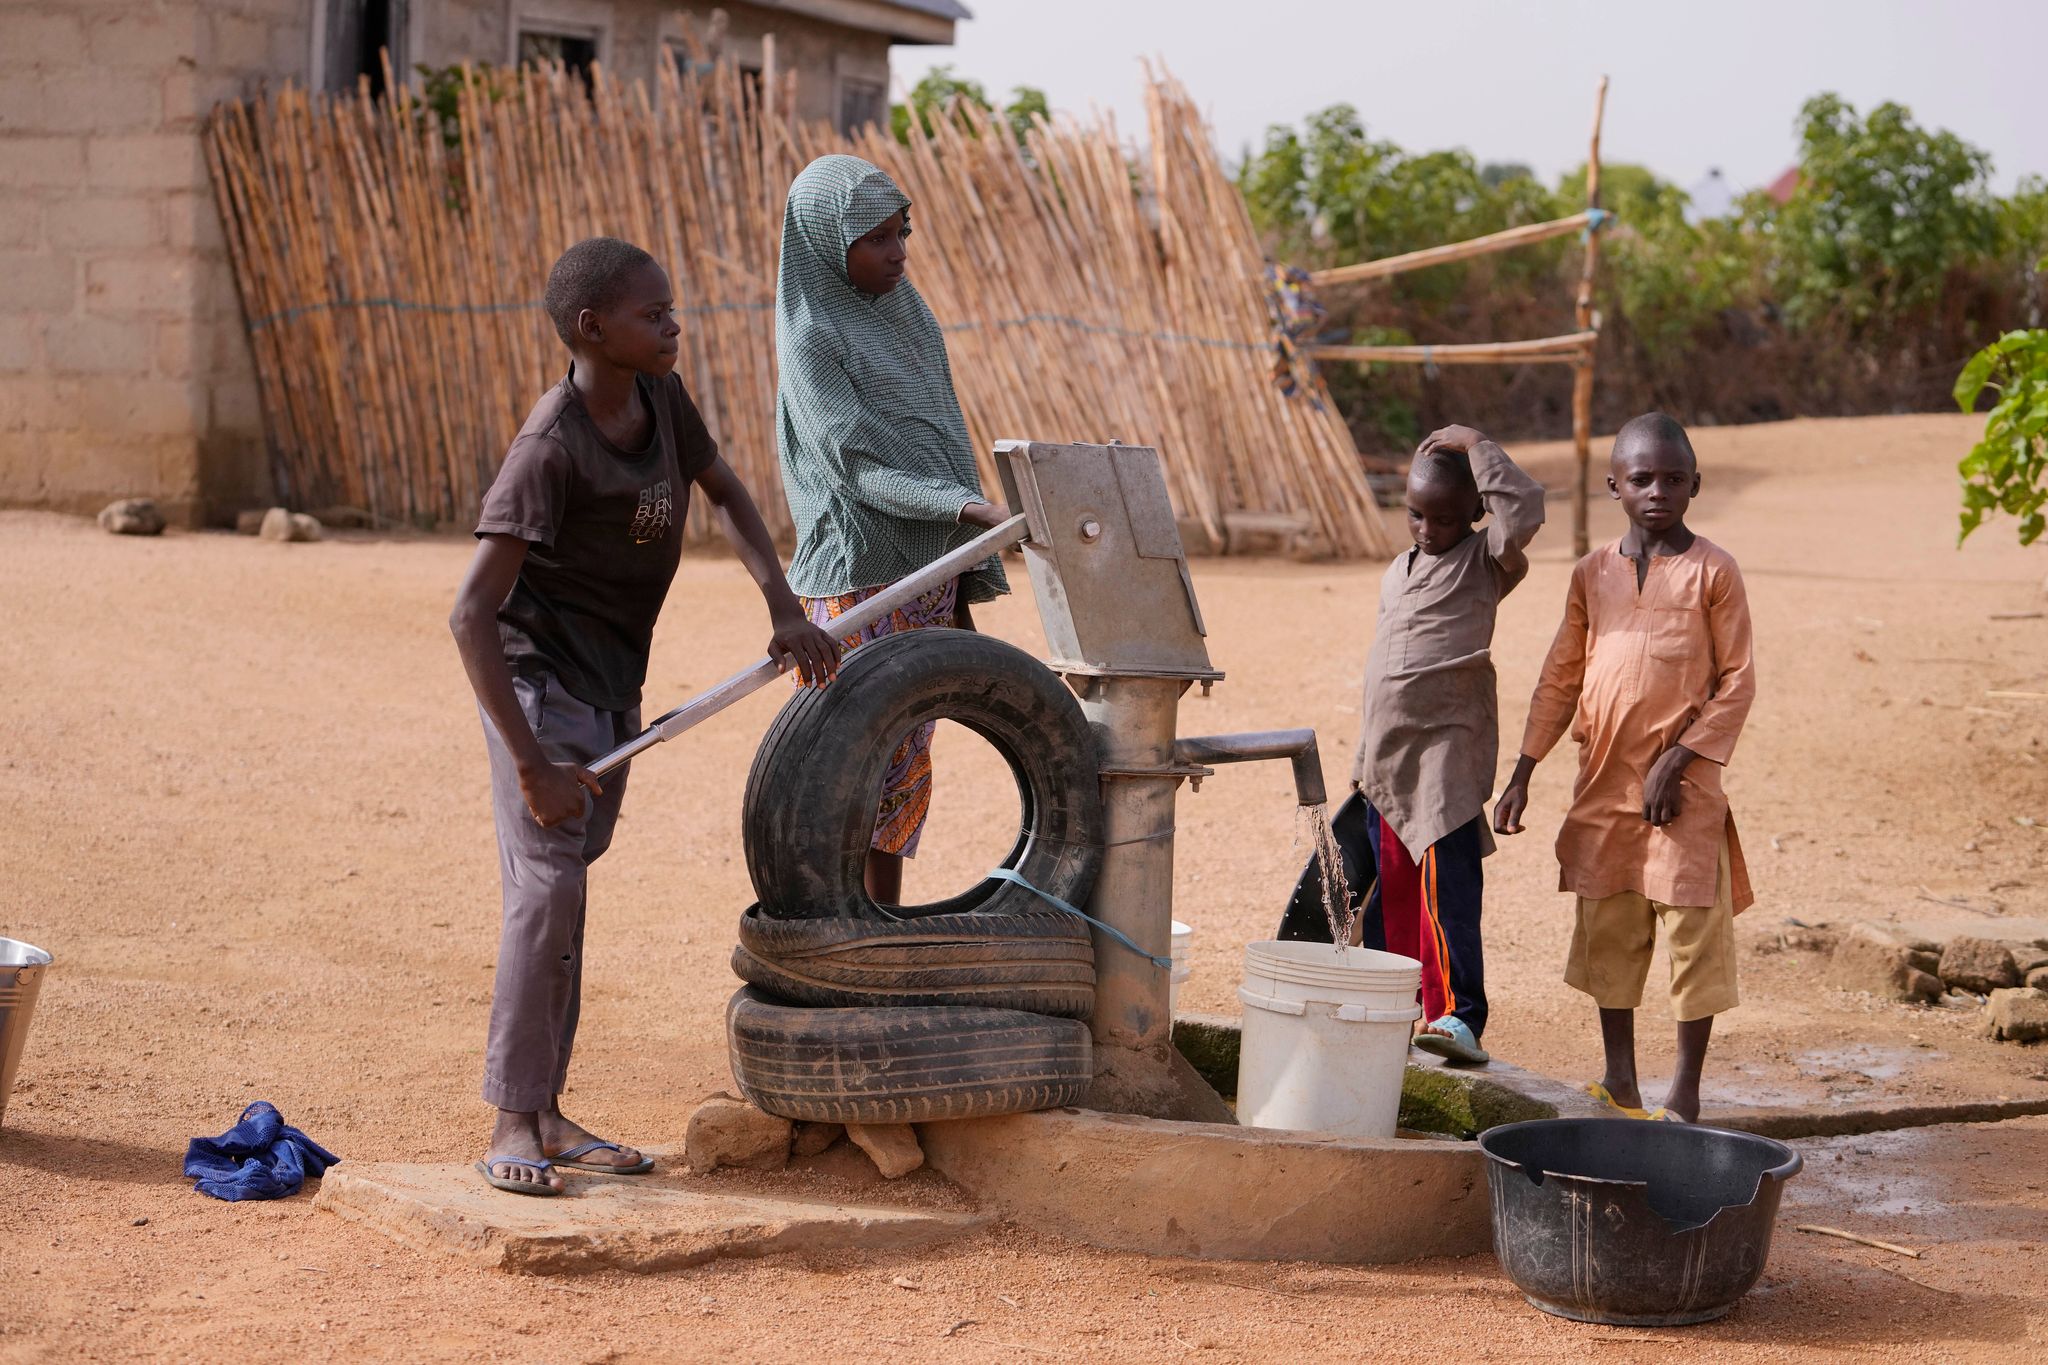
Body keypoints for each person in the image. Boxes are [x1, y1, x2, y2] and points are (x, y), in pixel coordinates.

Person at [450, 237, 839, 1194]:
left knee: (568, 895)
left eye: (671, 311)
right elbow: (470, 614)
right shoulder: (549, 447)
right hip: (539, 693)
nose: (674, 326)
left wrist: (781, 604)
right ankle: (512, 1116)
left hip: (611, 690)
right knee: (545, 894)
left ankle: (547, 1113)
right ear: (593, 328)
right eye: (653, 314)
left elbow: (727, 491)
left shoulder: (661, 399)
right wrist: (534, 763)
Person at [1493, 412, 1756, 1124]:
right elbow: (1561, 674)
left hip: (1685, 791)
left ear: (1694, 485)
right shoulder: (1591, 574)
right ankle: (1620, 1079)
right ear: (1615, 485)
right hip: (1603, 782)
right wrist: (1523, 769)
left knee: (1695, 933)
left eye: (1674, 478)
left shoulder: (1713, 571)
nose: (1658, 491)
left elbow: (1738, 680)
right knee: (1610, 925)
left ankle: (1687, 1094)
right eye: (1642, 478)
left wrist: (1683, 754)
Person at [772, 153, 1011, 906]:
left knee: (905, 764)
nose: (897, 252)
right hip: (859, 585)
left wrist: (963, 573)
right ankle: (831, 928)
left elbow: (944, 437)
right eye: (873, 238)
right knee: (849, 763)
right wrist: (970, 512)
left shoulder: (911, 318)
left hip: (928, 578)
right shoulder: (813, 338)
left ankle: (883, 925)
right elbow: (857, 471)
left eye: (900, 231)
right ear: (822, 243)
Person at [1348, 424, 1545, 1066]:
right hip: (1386, 760)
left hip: (1445, 757)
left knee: (1446, 887)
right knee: (1393, 891)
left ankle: (1459, 1015)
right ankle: (1397, 1008)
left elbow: (1526, 509)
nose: (1428, 530)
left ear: (1476, 515)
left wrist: (1480, 445)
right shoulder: (1394, 572)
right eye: (1415, 515)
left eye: (1444, 518)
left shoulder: (1487, 563)